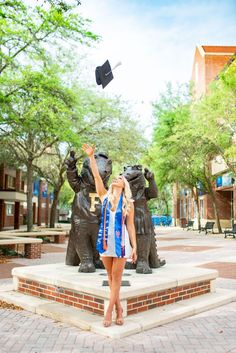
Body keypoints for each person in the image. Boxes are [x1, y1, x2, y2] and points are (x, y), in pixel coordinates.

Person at [82, 143, 137, 327]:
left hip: (121, 245)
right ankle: (119, 309)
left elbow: (130, 227)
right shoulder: (104, 196)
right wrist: (91, 156)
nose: (116, 179)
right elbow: (97, 176)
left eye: (120, 178)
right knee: (111, 279)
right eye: (115, 177)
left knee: (117, 279)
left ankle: (108, 312)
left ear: (124, 184)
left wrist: (135, 247)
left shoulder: (129, 203)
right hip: (105, 243)